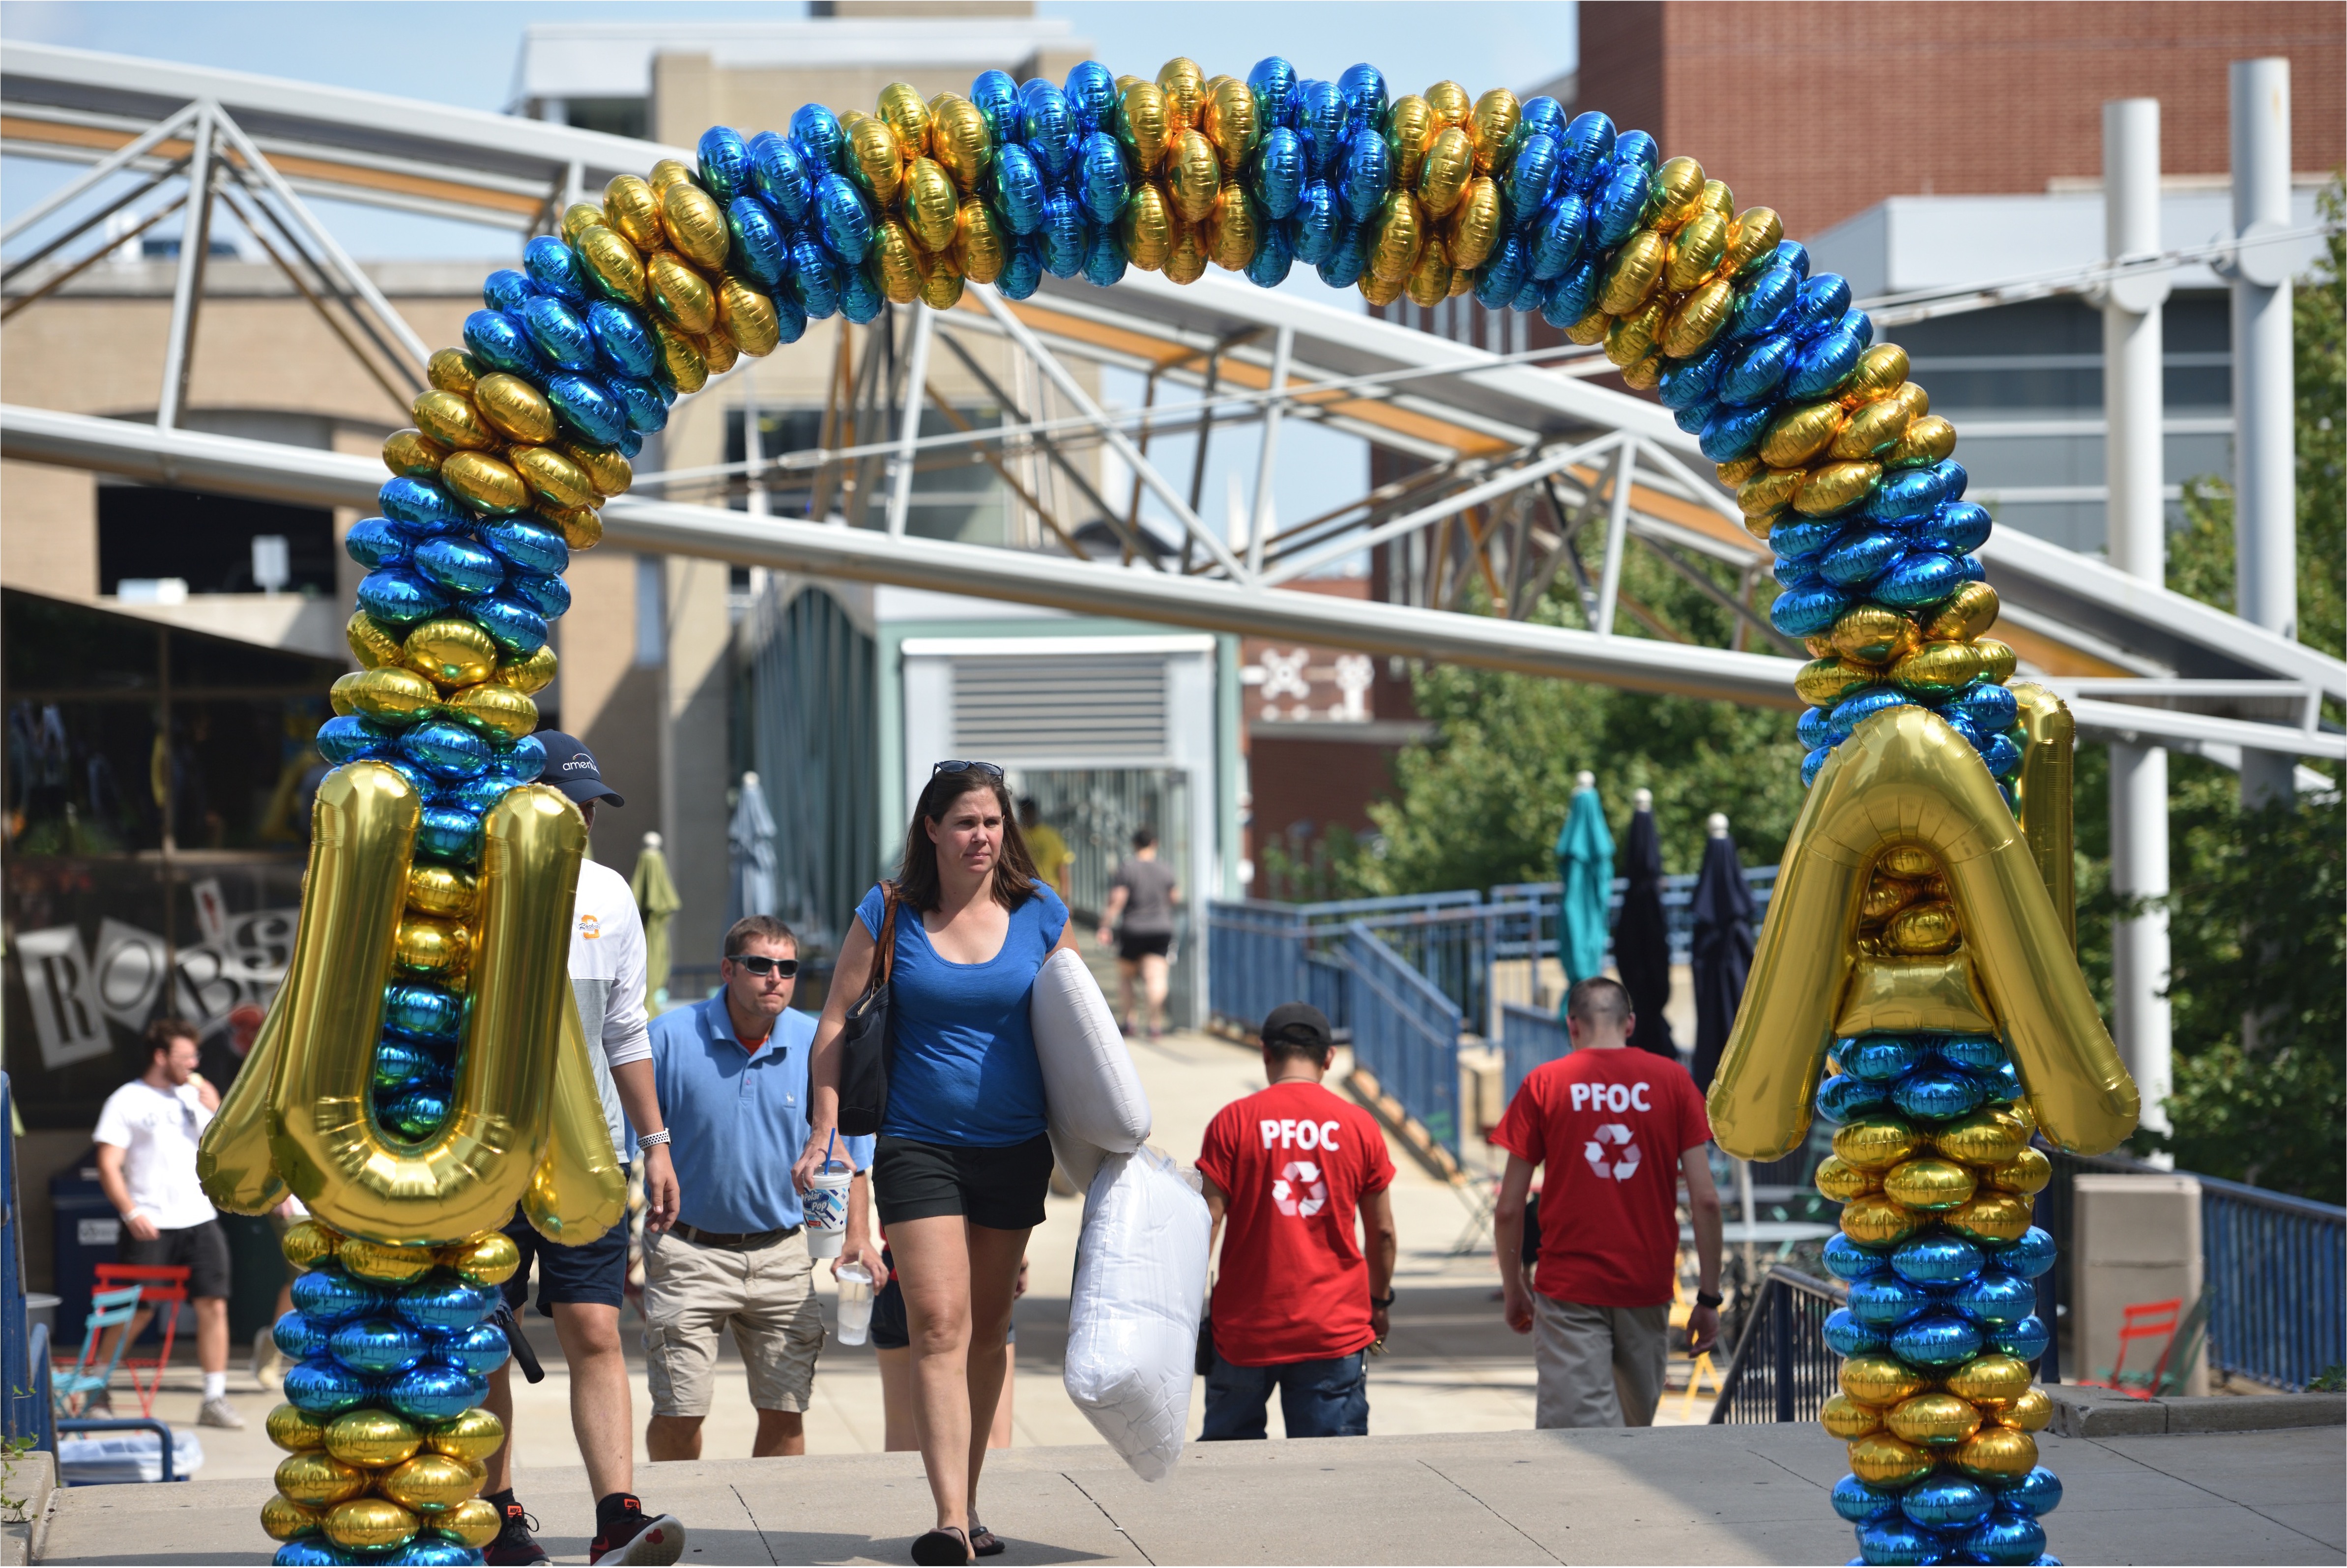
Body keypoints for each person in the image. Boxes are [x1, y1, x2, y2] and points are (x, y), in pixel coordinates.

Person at [798, 760, 1074, 1566]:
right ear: (932, 828)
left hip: (1017, 1149)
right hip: (919, 1146)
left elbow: (1083, 1031)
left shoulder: (1040, 912)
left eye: (992, 822)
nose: (981, 836)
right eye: (964, 822)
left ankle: (973, 1498)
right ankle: (950, 1518)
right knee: (939, 1323)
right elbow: (835, 1023)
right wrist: (830, 1133)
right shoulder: (889, 912)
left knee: (989, 1330)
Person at [481, 733, 686, 1568]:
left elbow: (624, 1031)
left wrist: (657, 1144)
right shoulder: (476, 891)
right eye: (572, 804)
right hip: (484, 1160)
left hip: (593, 1154)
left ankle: (615, 1518)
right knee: (487, 1337)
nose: (586, 818)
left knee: (595, 1330)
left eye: (592, 806)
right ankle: (496, 1515)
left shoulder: (609, 895)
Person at [641, 914, 881, 1461]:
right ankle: (674, 1529)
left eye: (788, 967)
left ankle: (771, 1530)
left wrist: (858, 1236)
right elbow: (625, 1139)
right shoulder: (669, 1039)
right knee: (679, 1411)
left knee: (785, 1409)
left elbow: (854, 1156)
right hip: (686, 1252)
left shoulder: (819, 1043)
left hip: (782, 1254)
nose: (775, 977)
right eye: (759, 965)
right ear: (727, 970)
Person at [1490, 977, 1724, 1429]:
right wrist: (1709, 1298)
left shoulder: (1545, 1084)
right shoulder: (1673, 1081)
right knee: (1633, 1441)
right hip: (1647, 1284)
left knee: (1579, 1444)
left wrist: (1514, 1284)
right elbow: (1706, 1201)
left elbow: (1508, 1208)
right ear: (1631, 1023)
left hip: (1569, 1290)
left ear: (1570, 1026)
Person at [1195, 1002, 1397, 1441]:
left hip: (1244, 1329)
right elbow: (1381, 1232)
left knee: (1229, 1475)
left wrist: (1184, 1306)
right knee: (1330, 1477)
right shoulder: (1359, 1126)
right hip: (1333, 1328)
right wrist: (1379, 1303)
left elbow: (1206, 1222)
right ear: (1329, 1058)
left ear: (1266, 1053)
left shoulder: (1232, 1123)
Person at [91, 1017, 240, 1428]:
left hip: (200, 1217)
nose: (194, 1062)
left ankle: (214, 1396)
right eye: (185, 1055)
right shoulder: (127, 1100)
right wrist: (130, 1211)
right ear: (161, 1057)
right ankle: (97, 1386)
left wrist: (218, 1110)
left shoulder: (195, 1097)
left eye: (196, 1054)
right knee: (137, 1310)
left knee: (213, 1302)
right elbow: (108, 1164)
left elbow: (228, 1148)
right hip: (151, 1219)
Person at [874, 1253, 1025, 1452]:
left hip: (898, 1272)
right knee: (990, 1444)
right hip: (974, 1272)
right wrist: (1019, 1262)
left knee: (903, 1448)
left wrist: (858, 1238)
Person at [1095, 828, 1179, 1039]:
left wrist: (1105, 925)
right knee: (1156, 977)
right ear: (1154, 843)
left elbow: (1118, 900)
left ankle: (1130, 1023)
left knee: (1126, 976)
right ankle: (1155, 1025)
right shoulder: (1166, 869)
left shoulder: (1128, 868)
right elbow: (1174, 898)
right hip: (1161, 928)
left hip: (1134, 929)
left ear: (1135, 845)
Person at [1016, 799, 1071, 904]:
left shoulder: (1051, 836)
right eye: (1025, 813)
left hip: (1050, 894)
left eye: (1030, 812)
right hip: (1025, 895)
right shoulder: (1018, 836)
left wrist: (1066, 898)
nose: (1028, 816)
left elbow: (1062, 867)